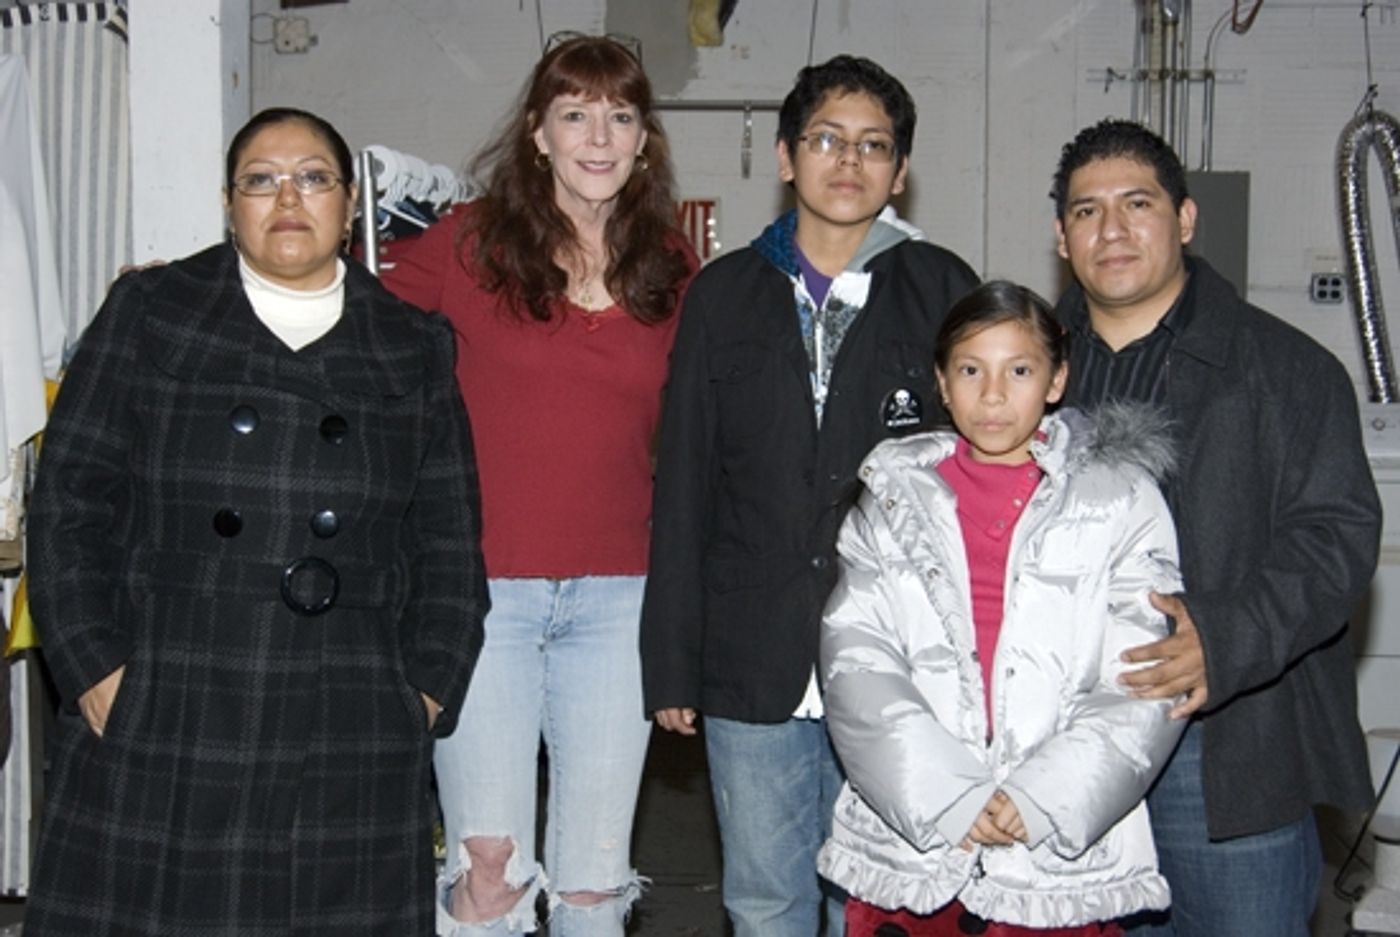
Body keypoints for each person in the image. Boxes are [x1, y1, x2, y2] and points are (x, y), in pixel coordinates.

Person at [23, 106, 488, 935]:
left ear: (348, 207)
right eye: (261, 180)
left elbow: (448, 542)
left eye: (314, 177)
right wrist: (95, 669)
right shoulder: (151, 310)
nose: (288, 197)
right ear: (229, 203)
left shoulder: (411, 343)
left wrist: (421, 692)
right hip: (173, 694)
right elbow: (69, 499)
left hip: (349, 712)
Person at [641, 54, 980, 937]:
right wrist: (673, 659)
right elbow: (683, 480)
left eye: (874, 146)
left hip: (900, 655)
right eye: (827, 138)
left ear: (900, 171)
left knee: (874, 901)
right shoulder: (723, 294)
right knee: (765, 897)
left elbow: (983, 467)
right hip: (752, 654)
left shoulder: (943, 288)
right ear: (787, 155)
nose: (848, 160)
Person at [380, 35, 695, 937]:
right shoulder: (467, 244)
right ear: (537, 134)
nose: (598, 136)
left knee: (595, 880)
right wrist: (198, 287)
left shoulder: (671, 268)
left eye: (621, 115)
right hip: (483, 604)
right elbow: (332, 305)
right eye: (575, 114)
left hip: (620, 603)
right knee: (488, 874)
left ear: (643, 141)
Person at [1049, 118, 1381, 937]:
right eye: (1087, 211)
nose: (1113, 229)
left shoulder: (1290, 371)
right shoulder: (1023, 373)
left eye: (1138, 203)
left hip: (1227, 744)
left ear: (1186, 219)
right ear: (1061, 237)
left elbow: (1334, 540)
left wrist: (1225, 635)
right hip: (1063, 741)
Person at [818, 280, 1185, 937]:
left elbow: (1143, 676)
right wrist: (953, 795)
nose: (992, 394)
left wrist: (1039, 797)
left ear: (1056, 379)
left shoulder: (1120, 500)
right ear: (941, 380)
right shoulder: (893, 496)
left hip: (1052, 853)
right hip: (918, 840)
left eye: (1018, 370)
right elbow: (858, 662)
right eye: (969, 370)